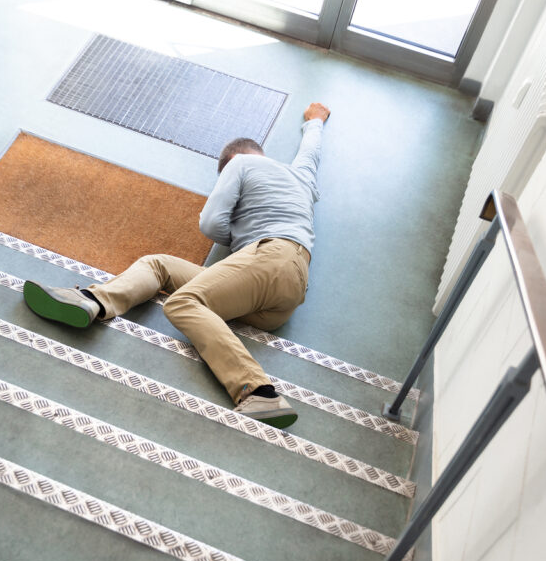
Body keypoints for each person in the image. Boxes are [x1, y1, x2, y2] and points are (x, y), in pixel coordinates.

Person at [23, 102, 330, 429]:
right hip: (286, 295)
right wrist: (315, 121)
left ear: (230, 162)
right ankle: (92, 300)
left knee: (182, 303)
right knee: (159, 265)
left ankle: (258, 391)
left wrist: (238, 234)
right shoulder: (301, 176)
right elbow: (310, 153)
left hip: (269, 256)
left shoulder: (239, 163)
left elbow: (210, 223)